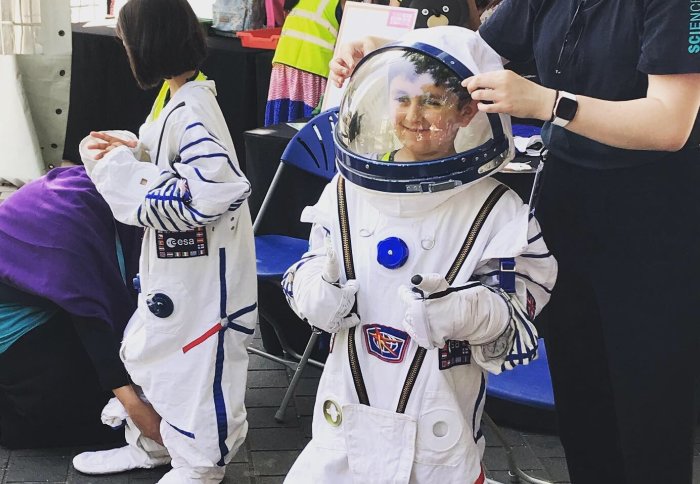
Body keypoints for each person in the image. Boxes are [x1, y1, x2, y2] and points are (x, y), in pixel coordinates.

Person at [331, 1, 700, 482]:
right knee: (582, 397)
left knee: (649, 409)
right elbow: (477, 50)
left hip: (654, 225)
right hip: (569, 209)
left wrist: (549, 103)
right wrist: (393, 54)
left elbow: (670, 123)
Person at [281, 26, 557, 483]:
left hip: (438, 422)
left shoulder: (497, 210)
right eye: (402, 97)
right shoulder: (349, 190)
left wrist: (467, 310)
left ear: (467, 111)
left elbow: (520, 313)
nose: (414, 114)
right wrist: (315, 290)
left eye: (432, 100)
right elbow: (313, 259)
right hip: (347, 414)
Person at [71, 1, 258, 482]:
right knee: (164, 351)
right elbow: (179, 168)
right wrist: (133, 151)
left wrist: (121, 171)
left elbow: (215, 190)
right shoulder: (182, 99)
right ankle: (156, 445)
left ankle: (201, 464)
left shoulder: (193, 108)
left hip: (204, 280)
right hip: (181, 271)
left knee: (199, 363)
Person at [0, 166, 150, 449]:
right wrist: (136, 410)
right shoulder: (69, 241)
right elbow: (91, 320)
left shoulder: (84, 185)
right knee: (100, 421)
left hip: (36, 307)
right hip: (17, 339)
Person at [264, 0, 345, 126]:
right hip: (313, 71)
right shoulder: (340, 4)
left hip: (283, 67)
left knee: (280, 125)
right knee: (308, 129)